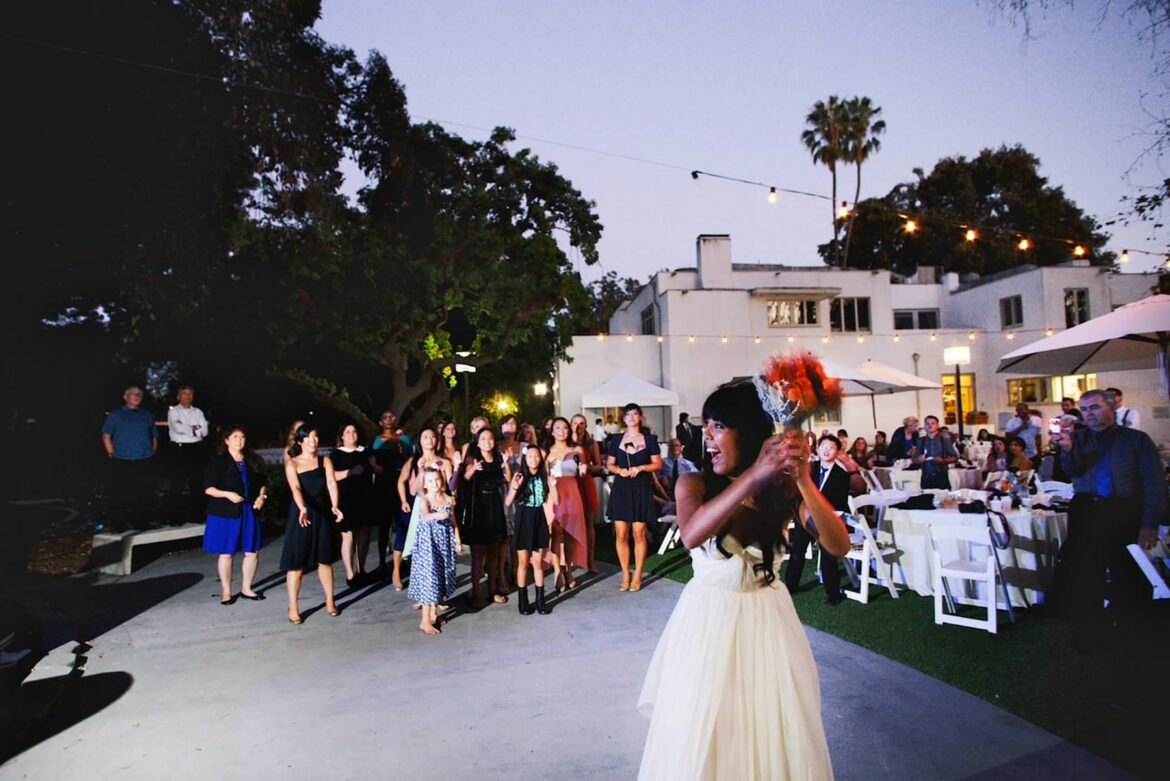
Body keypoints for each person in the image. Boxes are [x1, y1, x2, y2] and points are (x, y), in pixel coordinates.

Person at [637, 382, 847, 779]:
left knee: (769, 730)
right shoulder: (693, 484)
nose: (707, 437)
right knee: (707, 733)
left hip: (768, 624)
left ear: (747, 431)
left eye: (717, 426)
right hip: (707, 628)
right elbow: (692, 533)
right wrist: (752, 475)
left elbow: (838, 544)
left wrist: (802, 479)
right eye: (705, 428)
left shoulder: (782, 491)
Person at [1052, 389, 1165, 636]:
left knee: (1126, 567)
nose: (1089, 413)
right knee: (1084, 567)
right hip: (1086, 509)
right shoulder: (1078, 438)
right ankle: (1089, 623)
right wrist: (1068, 449)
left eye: (1094, 407)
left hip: (1122, 509)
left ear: (1112, 406)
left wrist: (1150, 522)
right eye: (1084, 409)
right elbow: (1072, 471)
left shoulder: (1137, 440)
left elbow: (1154, 483)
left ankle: (1131, 623)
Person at [281, 424, 343, 624]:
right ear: (300, 441)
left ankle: (330, 600)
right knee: (297, 564)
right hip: (302, 515)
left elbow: (331, 483)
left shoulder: (324, 460)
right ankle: (293, 605)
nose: (313, 441)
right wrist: (302, 508)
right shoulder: (293, 464)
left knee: (324, 560)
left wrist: (334, 505)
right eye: (308, 437)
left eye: (315, 437)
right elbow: (296, 488)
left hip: (323, 513)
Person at [201, 426, 268, 604]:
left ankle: (247, 588)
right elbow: (209, 488)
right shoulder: (218, 461)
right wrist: (227, 494)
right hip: (226, 512)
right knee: (227, 553)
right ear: (227, 440)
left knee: (251, 551)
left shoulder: (252, 460)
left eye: (242, 437)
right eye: (235, 436)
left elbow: (263, 483)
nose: (239, 440)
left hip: (249, 510)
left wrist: (262, 497)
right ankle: (226, 591)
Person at [783, 434, 851, 605]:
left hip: (826, 521)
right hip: (805, 518)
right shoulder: (807, 468)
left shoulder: (842, 475)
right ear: (818, 449)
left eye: (831, 447)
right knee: (797, 553)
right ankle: (790, 586)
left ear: (838, 451)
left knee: (828, 556)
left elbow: (841, 502)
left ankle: (833, 593)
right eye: (824, 447)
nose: (827, 450)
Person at [606, 403, 662, 592]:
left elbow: (657, 464)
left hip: (641, 488)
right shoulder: (616, 440)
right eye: (627, 414)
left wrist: (641, 468)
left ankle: (637, 574)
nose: (631, 417)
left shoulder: (649, 439)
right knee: (621, 534)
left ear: (640, 417)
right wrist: (619, 470)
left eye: (634, 413)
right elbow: (609, 464)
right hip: (622, 488)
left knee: (639, 533)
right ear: (623, 419)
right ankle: (625, 573)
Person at [458, 427, 510, 608]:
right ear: (477, 442)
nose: (487, 441)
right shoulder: (473, 459)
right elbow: (463, 480)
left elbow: (506, 479)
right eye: (483, 439)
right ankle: (475, 592)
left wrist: (506, 463)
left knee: (494, 551)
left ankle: (492, 590)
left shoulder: (497, 459)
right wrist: (472, 470)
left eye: (490, 438)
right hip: (479, 506)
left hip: (494, 504)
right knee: (478, 554)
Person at [409, 469, 461, 635]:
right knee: (429, 580)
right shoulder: (425, 500)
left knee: (440, 577)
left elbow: (454, 521)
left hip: (443, 543)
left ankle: (433, 614)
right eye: (430, 481)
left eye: (437, 480)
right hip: (428, 545)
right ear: (424, 484)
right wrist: (437, 515)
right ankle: (424, 621)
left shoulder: (448, 498)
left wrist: (457, 540)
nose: (434, 484)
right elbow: (425, 516)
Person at [506, 445, 556, 615]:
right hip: (523, 519)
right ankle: (523, 601)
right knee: (523, 563)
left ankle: (541, 601)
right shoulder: (520, 476)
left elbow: (556, 500)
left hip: (538, 518)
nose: (533, 459)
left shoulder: (544, 477)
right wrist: (514, 486)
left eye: (537, 456)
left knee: (538, 562)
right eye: (530, 456)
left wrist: (553, 483)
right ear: (524, 460)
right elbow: (508, 502)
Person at [101, 385, 159, 531]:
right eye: (133, 393)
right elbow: (106, 435)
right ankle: (118, 525)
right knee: (120, 494)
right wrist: (111, 453)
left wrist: (152, 451)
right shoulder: (115, 414)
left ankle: (142, 523)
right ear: (125, 397)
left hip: (144, 459)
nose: (136, 395)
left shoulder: (146, 415)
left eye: (139, 393)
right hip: (122, 460)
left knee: (144, 493)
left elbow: (154, 435)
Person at [547, 417, 589, 591]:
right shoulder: (546, 452)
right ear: (552, 431)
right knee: (556, 534)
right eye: (557, 427)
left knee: (570, 535)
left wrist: (583, 472)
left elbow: (582, 473)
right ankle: (557, 571)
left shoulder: (577, 450)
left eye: (565, 427)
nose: (562, 430)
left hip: (572, 494)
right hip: (554, 495)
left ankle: (568, 570)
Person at [332, 424, 375, 587]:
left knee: (364, 534)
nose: (351, 434)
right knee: (348, 536)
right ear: (342, 436)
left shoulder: (366, 452)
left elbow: (377, 471)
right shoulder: (336, 454)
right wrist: (349, 473)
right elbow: (330, 477)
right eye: (347, 432)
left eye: (354, 431)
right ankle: (350, 574)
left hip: (365, 498)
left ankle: (361, 570)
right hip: (346, 500)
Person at [370, 410, 406, 582]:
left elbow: (410, 459)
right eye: (385, 417)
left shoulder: (403, 439)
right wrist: (374, 466)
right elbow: (371, 459)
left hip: (401, 483)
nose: (389, 420)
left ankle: (403, 560)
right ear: (380, 422)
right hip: (384, 484)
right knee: (384, 524)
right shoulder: (377, 441)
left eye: (392, 416)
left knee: (401, 523)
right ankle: (382, 562)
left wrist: (400, 452)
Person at [165, 385, 209, 523]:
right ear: (178, 397)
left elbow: (205, 431)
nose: (188, 396)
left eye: (190, 393)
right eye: (184, 393)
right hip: (180, 449)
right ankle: (174, 517)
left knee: (197, 483)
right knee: (178, 483)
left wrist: (191, 428)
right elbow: (178, 428)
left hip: (196, 449)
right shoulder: (173, 412)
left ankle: (197, 516)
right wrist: (195, 428)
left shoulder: (198, 412)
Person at [571, 413, 602, 571]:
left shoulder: (591, 443)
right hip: (570, 484)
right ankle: (575, 559)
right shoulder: (566, 443)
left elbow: (599, 466)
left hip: (586, 483)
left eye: (582, 423)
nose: (578, 426)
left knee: (589, 524)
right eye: (575, 423)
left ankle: (590, 560)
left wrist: (588, 467)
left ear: (586, 425)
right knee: (572, 524)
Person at [915, 415, 957, 490]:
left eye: (932, 423)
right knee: (927, 499)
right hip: (926, 476)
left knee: (944, 499)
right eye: (927, 424)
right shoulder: (921, 441)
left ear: (937, 425)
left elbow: (955, 458)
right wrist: (919, 459)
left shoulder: (944, 440)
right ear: (924, 426)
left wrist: (943, 460)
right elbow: (914, 459)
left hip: (942, 476)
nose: (930, 425)